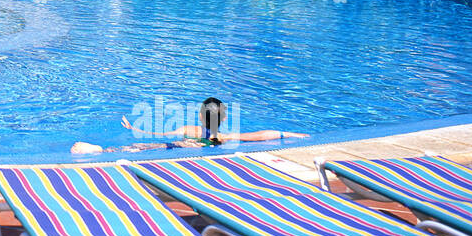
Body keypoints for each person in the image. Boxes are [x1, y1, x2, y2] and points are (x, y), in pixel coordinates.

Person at [71, 98, 307, 155]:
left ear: (200, 116)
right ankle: (100, 151)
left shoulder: (188, 129)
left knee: (144, 147)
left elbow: (156, 135)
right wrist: (290, 134)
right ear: (222, 119)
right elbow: (259, 136)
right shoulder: (224, 136)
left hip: (173, 144)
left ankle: (100, 150)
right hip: (194, 150)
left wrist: (136, 129)